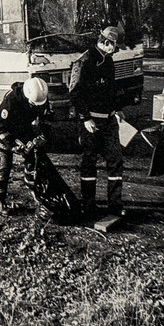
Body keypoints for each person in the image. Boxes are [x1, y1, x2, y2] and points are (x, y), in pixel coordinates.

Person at [68, 25, 126, 217]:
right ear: (106, 42)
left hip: (109, 121)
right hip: (90, 123)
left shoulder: (108, 62)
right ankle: (88, 205)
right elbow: (75, 93)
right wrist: (85, 117)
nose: (115, 51)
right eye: (114, 47)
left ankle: (115, 205)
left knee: (116, 160)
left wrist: (117, 109)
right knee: (89, 162)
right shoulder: (84, 61)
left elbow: (111, 89)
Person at [0, 77, 50, 216]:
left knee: (33, 162)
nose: (36, 107)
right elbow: (0, 128)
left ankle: (34, 191)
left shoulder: (41, 99)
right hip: (6, 134)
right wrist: (12, 145)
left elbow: (47, 121)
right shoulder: (10, 102)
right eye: (33, 104)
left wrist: (42, 137)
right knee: (4, 166)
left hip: (24, 131)